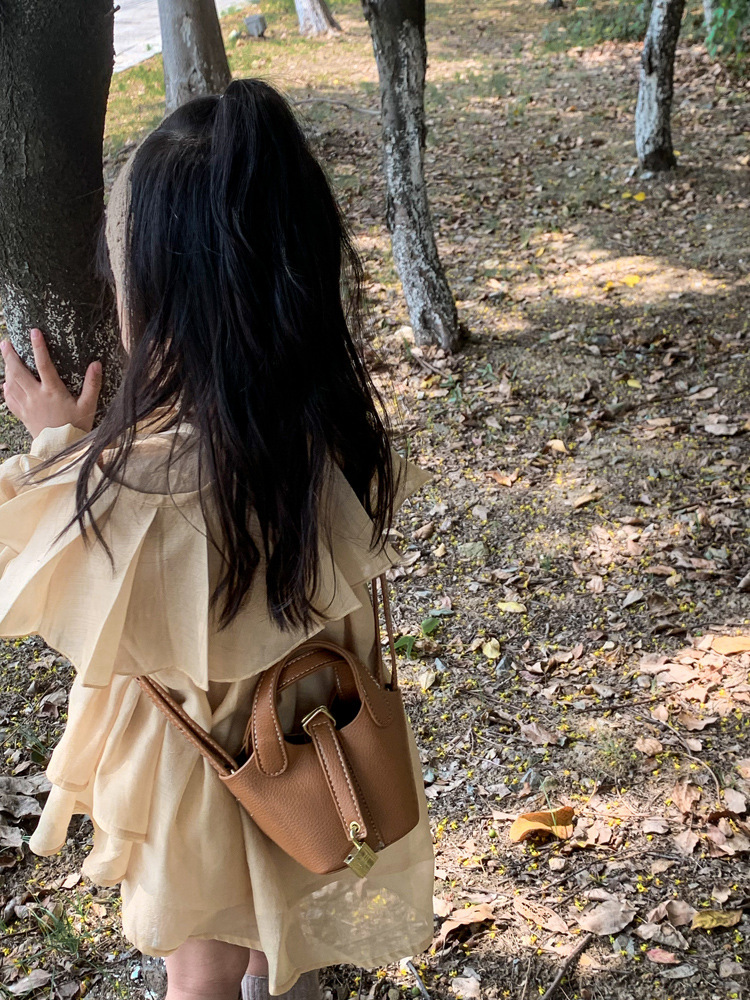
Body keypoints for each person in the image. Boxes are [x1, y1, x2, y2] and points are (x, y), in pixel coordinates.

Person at [0, 79, 434, 1000]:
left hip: (198, 779)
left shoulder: (149, 483)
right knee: (284, 934)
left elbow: (44, 560)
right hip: (312, 745)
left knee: (198, 973)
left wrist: (57, 446)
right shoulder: (335, 434)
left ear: (161, 296)